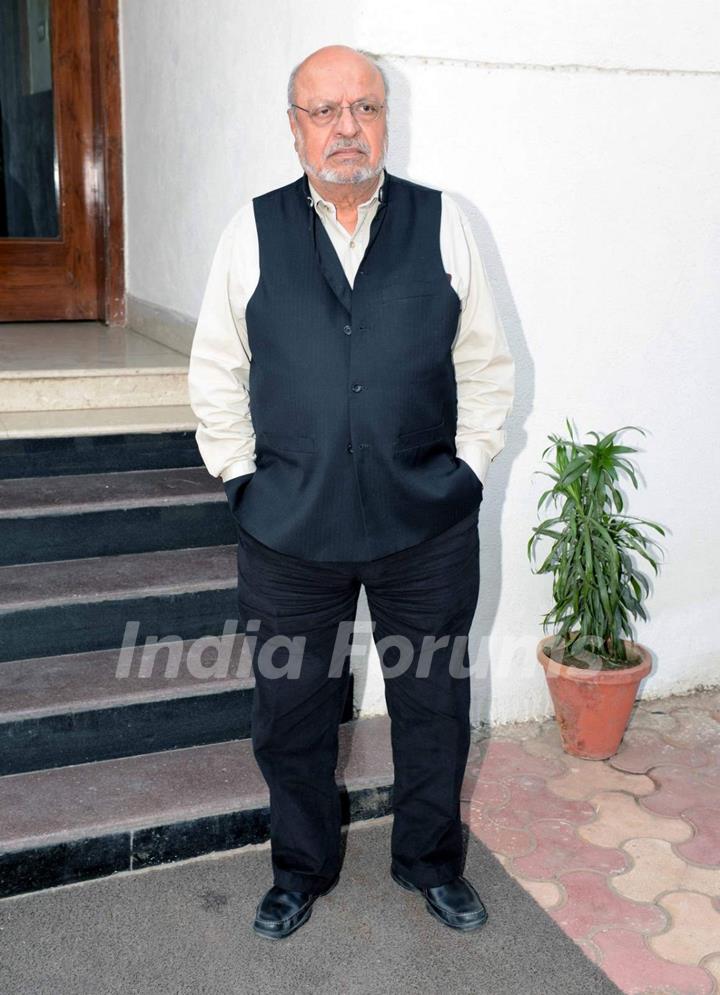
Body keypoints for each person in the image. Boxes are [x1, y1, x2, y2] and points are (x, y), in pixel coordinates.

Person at [188, 44, 515, 940]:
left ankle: (430, 863)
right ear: (294, 127)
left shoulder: (444, 222)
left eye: (364, 108)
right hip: (289, 530)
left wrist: (471, 469)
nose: (347, 128)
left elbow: (485, 365)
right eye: (325, 111)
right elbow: (217, 371)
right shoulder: (249, 231)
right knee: (290, 716)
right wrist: (244, 484)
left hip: (426, 525)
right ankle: (300, 866)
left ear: (386, 119)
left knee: (434, 705)